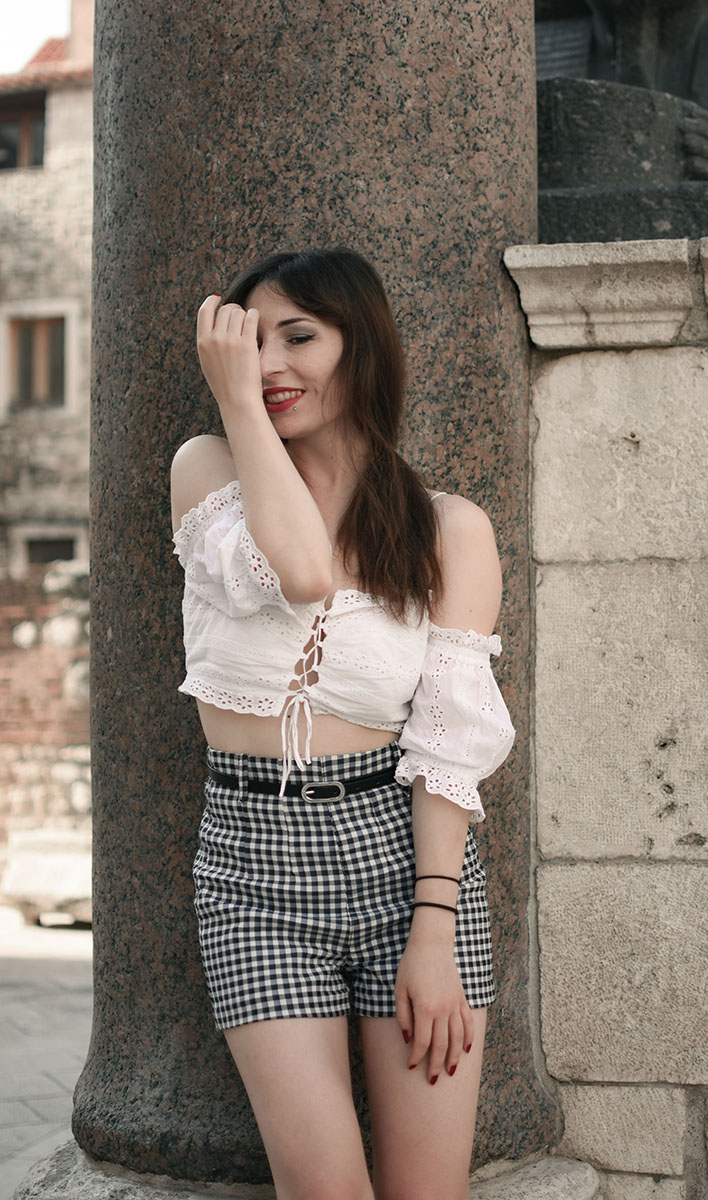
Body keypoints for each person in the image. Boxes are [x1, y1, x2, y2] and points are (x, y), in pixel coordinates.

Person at [170, 248, 515, 1200]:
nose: (269, 364)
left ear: (360, 346)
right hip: (253, 868)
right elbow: (302, 571)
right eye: (250, 341)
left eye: (299, 337)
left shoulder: (448, 529)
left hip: (404, 863)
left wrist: (433, 931)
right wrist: (240, 404)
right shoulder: (208, 473)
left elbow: (447, 747)